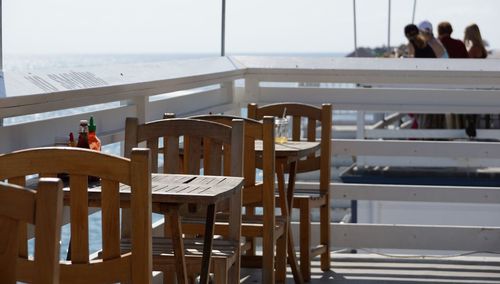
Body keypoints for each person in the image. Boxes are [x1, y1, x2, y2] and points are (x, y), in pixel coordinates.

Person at [463, 24, 488, 137]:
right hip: (480, 81)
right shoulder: (481, 47)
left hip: (473, 81)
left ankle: (470, 129)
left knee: (470, 108)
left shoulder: (474, 48)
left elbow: (468, 64)